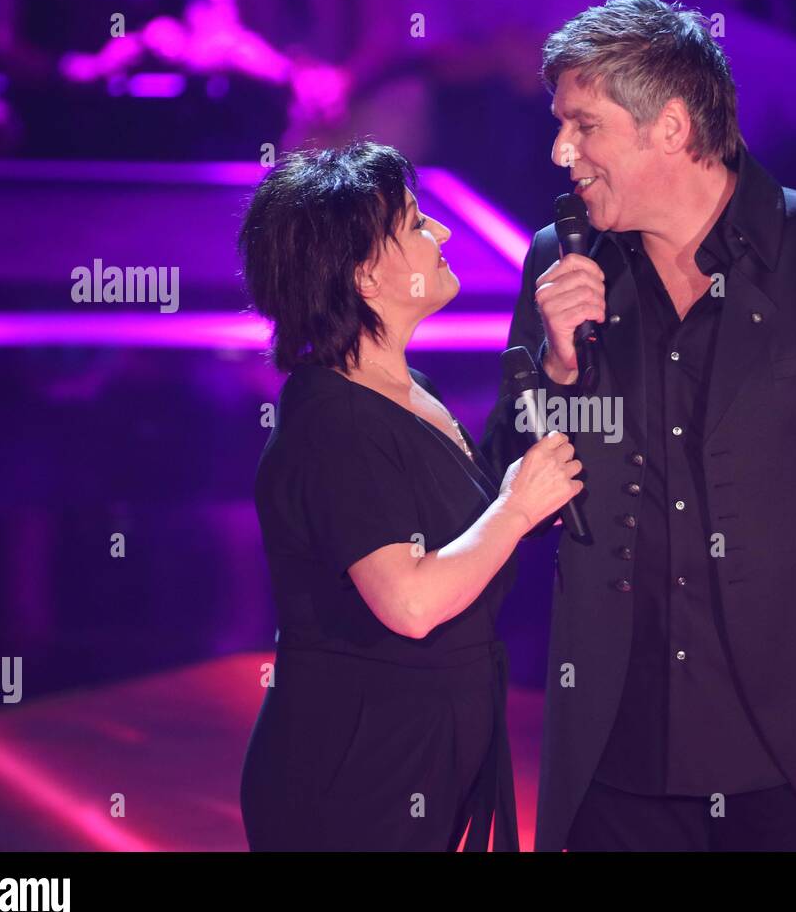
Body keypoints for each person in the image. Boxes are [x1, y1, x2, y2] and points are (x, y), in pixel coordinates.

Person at [479, 0, 796, 852]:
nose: (562, 153)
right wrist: (554, 369)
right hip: (619, 761)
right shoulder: (562, 264)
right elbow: (508, 493)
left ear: (668, 126)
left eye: (583, 126)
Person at [238, 142, 582, 851]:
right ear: (365, 274)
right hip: (357, 771)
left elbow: (468, 506)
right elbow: (411, 602)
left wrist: (556, 364)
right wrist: (516, 510)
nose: (443, 233)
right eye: (417, 223)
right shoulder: (336, 424)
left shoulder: (402, 389)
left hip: (420, 752)